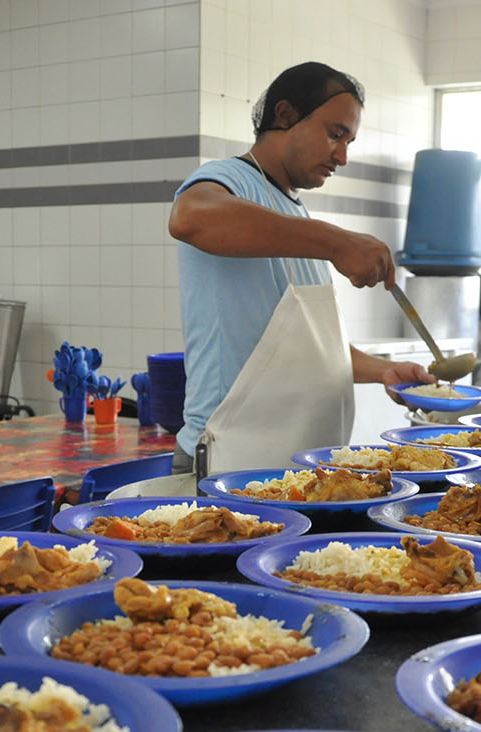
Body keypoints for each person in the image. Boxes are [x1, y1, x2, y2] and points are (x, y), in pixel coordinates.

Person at [168, 62, 434, 473]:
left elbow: (306, 348)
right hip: (230, 459)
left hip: (295, 466)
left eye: (349, 141)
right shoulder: (227, 180)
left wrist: (385, 371)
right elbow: (190, 218)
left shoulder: (294, 215)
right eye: (335, 134)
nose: (343, 157)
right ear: (286, 115)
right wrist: (337, 242)